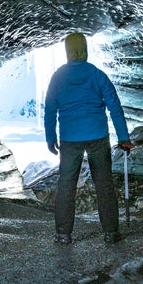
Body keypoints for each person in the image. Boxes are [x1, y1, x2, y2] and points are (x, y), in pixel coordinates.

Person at [44, 32, 133, 244]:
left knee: (66, 185)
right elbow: (114, 107)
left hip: (69, 139)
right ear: (85, 49)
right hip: (97, 136)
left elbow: (50, 109)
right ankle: (111, 232)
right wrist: (124, 137)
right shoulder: (97, 74)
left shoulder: (58, 76)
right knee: (104, 184)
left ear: (67, 51)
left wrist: (50, 137)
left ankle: (63, 234)